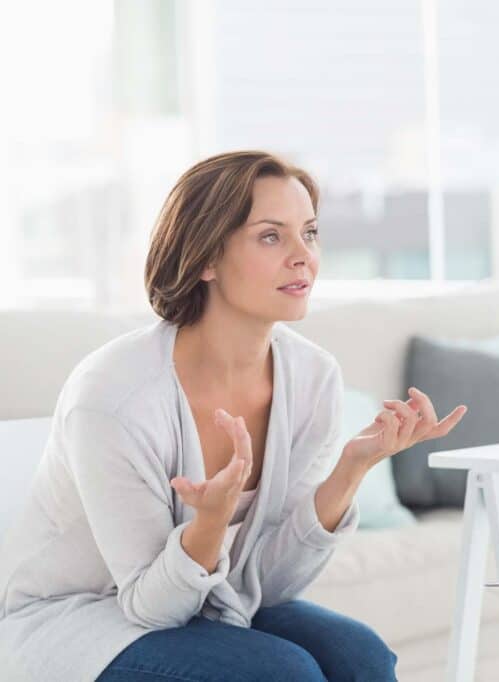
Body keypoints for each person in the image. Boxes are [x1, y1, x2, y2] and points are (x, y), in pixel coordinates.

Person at [0, 151, 466, 681]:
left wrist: (351, 468)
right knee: (282, 673)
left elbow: (270, 584)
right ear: (206, 258)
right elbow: (151, 607)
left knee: (362, 657)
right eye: (271, 236)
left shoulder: (313, 379)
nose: (303, 256)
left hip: (214, 601)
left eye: (309, 233)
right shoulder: (113, 396)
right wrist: (209, 525)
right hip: (77, 622)